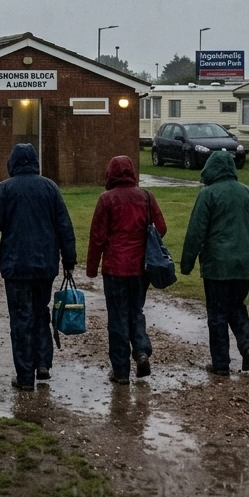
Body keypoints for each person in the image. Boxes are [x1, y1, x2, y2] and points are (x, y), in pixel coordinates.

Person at [0, 143, 77, 391]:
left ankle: (25, 375)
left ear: (13, 163)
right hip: (44, 266)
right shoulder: (50, 188)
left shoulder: (5, 190)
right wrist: (68, 260)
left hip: (16, 266)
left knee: (21, 319)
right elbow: (64, 226)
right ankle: (42, 363)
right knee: (41, 313)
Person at [179, 150, 249, 376]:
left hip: (217, 266)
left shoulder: (208, 195)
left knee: (218, 313)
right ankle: (247, 343)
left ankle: (221, 363)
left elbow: (196, 232)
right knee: (236, 306)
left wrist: (187, 263)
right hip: (243, 265)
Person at [86, 155, 166, 384]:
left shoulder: (106, 200)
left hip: (115, 269)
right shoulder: (147, 197)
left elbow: (97, 237)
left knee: (117, 318)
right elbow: (161, 227)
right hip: (141, 268)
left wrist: (92, 268)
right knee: (136, 311)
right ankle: (141, 351)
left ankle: (121, 371)